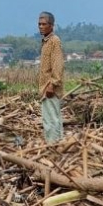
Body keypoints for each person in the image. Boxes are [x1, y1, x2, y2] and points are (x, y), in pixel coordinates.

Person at [37, 11, 65, 144]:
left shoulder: (54, 41)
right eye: (39, 24)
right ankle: (56, 144)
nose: (41, 26)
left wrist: (52, 84)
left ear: (52, 25)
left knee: (51, 120)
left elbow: (57, 65)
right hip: (45, 88)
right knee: (51, 119)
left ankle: (53, 146)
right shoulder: (46, 42)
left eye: (44, 24)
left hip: (50, 88)